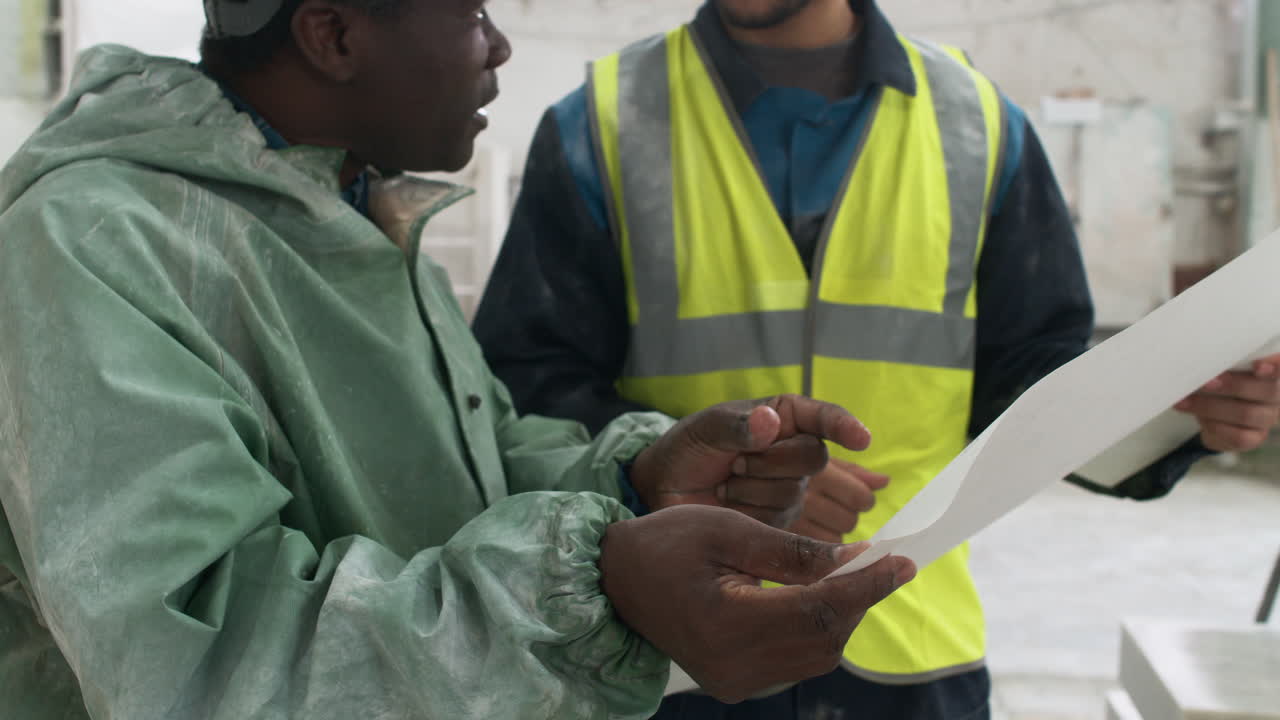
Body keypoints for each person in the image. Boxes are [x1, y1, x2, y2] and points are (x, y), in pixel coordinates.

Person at [0, 1, 921, 718]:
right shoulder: (91, 245)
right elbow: (196, 667)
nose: (500, 47)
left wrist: (642, 476)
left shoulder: (355, 213)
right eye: (474, 13)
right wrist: (597, 588)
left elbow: (471, 469)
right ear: (333, 34)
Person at [473, 0, 1280, 717]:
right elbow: (525, 389)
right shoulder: (601, 123)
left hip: (912, 652)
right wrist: (712, 472)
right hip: (671, 653)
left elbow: (1034, 382)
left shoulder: (980, 124)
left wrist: (1170, 413)